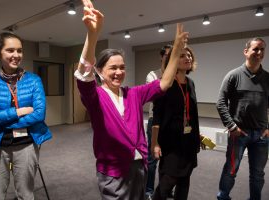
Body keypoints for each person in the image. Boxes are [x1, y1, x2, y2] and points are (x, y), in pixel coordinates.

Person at [76, 0, 189, 199]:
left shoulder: (133, 93)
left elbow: (164, 83)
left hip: (139, 166)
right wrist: (92, 35)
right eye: (113, 68)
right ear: (100, 72)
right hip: (113, 172)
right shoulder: (95, 96)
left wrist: (176, 52)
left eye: (122, 67)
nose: (119, 72)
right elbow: (84, 76)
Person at [0, 32, 52, 200]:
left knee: (26, 194)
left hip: (26, 145)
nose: (16, 55)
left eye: (19, 50)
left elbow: (39, 114)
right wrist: (18, 112)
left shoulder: (33, 80)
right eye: (10, 50)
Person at [216, 37, 268, 200]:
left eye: (262, 49)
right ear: (246, 52)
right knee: (230, 170)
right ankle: (223, 197)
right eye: (255, 49)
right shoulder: (233, 75)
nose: (259, 53)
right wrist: (232, 126)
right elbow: (221, 103)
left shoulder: (268, 78)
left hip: (261, 136)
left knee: (258, 174)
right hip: (239, 134)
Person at [151, 46, 203, 200]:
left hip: (188, 142)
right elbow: (157, 116)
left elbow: (192, 114)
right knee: (167, 183)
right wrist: (154, 143)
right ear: (172, 61)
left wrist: (197, 134)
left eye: (189, 55)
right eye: (181, 56)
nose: (187, 58)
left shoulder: (191, 83)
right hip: (171, 144)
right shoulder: (164, 84)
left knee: (184, 182)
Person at [145, 44, 173, 200]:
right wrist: (167, 75)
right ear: (162, 57)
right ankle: (148, 190)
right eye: (167, 55)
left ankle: (165, 189)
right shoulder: (152, 75)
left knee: (170, 159)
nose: (170, 58)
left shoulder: (178, 74)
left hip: (172, 123)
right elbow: (155, 93)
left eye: (172, 55)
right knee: (152, 159)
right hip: (154, 121)